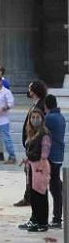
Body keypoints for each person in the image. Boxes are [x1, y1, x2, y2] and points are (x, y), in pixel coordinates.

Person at [14, 80, 48, 206]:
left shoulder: (40, 106)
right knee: (29, 173)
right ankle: (28, 197)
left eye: (30, 88)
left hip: (35, 147)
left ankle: (31, 198)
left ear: (34, 91)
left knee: (34, 174)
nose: (28, 91)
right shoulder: (36, 104)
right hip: (31, 145)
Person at [18, 108, 51, 233]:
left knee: (40, 194)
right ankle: (35, 219)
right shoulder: (33, 132)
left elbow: (45, 152)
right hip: (32, 165)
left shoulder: (44, 133)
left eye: (37, 117)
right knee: (34, 195)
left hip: (40, 167)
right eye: (33, 118)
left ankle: (42, 222)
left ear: (42, 119)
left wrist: (39, 166)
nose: (34, 120)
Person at [43, 95, 65, 229]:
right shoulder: (61, 117)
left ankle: (57, 218)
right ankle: (57, 216)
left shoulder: (49, 118)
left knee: (54, 188)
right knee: (56, 183)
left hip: (51, 155)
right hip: (59, 155)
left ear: (46, 105)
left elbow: (39, 131)